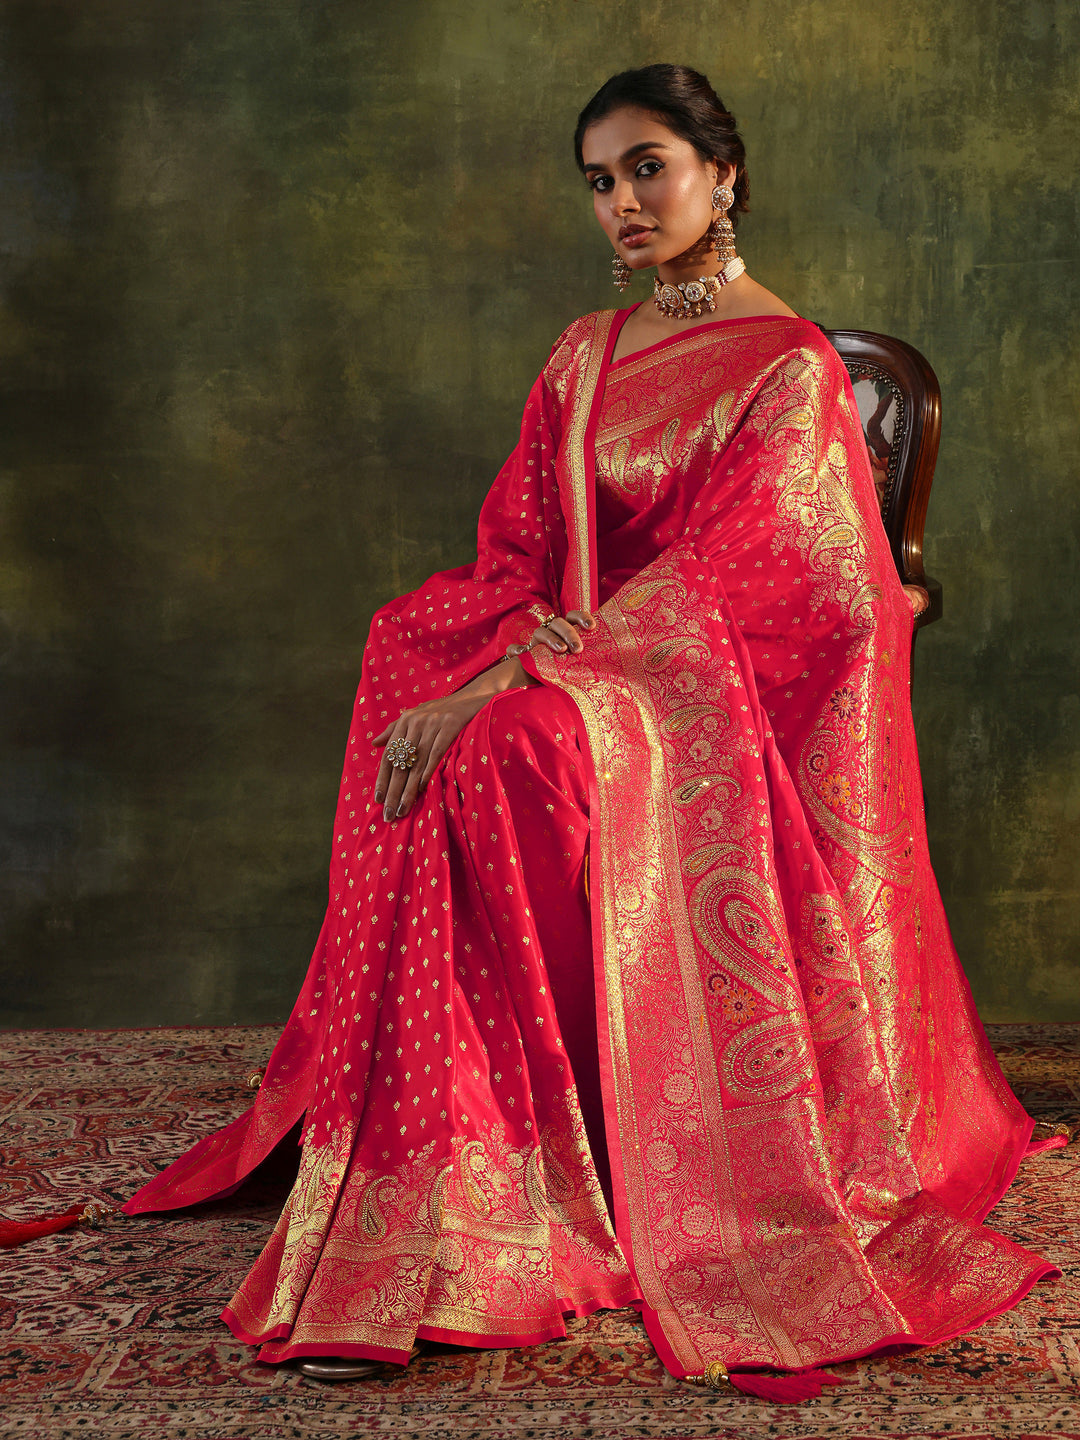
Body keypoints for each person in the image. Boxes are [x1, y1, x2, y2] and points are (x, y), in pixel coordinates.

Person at [123, 64, 1060, 1395]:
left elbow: (742, 583)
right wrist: (495, 655)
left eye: (648, 168)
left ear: (722, 175)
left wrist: (531, 683)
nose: (622, 203)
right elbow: (518, 544)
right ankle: (450, 1149)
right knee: (402, 657)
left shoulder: (789, 369)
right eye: (600, 182)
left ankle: (511, 1195)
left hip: (696, 697)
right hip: (575, 658)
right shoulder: (587, 350)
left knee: (503, 750)